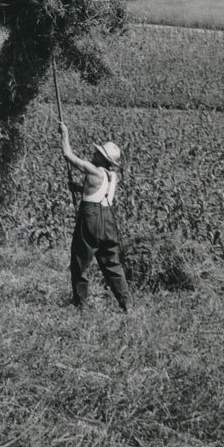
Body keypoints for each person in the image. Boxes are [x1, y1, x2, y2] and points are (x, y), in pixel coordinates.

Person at [58, 122, 129, 312]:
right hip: (108, 219)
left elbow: (68, 155)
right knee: (112, 263)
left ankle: (80, 304)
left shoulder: (94, 170)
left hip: (91, 217)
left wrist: (65, 133)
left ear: (103, 159)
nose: (94, 154)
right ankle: (125, 304)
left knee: (80, 259)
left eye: (98, 153)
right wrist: (81, 189)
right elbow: (100, 192)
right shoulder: (113, 176)